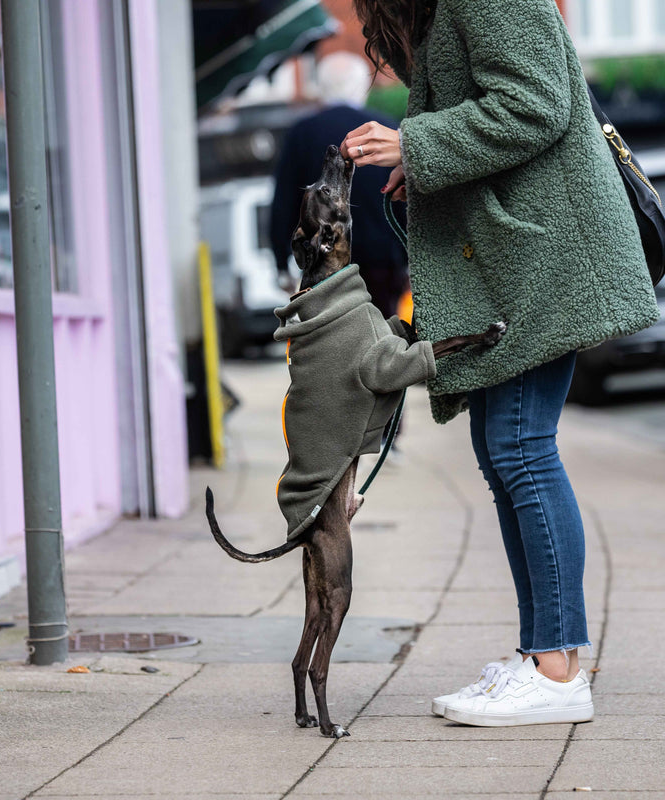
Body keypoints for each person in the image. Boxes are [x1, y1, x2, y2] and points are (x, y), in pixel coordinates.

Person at [340, 0, 659, 726]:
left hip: (542, 253)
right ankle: (544, 655)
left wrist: (412, 144)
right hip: (522, 254)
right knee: (504, 449)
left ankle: (556, 671)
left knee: (520, 446)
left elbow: (535, 101)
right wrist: (424, 164)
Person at [269, 52, 408, 318]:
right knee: (380, 338)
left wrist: (280, 262)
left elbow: (285, 202)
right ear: (361, 87)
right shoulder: (386, 130)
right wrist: (409, 260)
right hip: (381, 260)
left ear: (321, 87)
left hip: (323, 262)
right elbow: (402, 199)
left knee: (330, 343)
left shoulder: (302, 133)